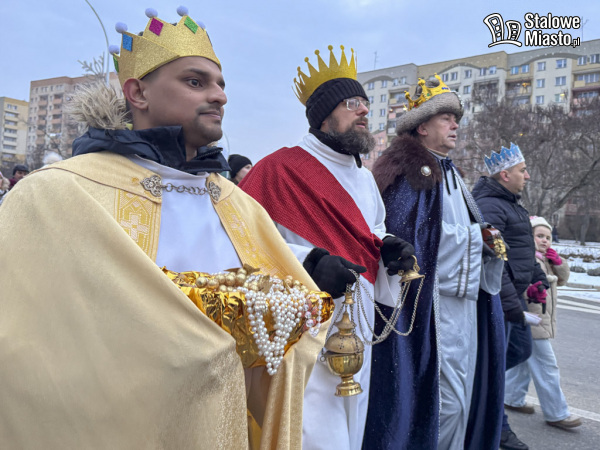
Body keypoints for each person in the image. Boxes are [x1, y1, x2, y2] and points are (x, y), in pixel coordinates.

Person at [0, 7, 328, 449]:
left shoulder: (236, 203)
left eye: (221, 84)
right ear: (137, 92)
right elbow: (31, 347)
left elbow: (293, 324)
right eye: (195, 82)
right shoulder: (57, 193)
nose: (219, 96)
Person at [239, 45, 415, 450]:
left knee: (353, 424)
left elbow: (372, 231)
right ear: (323, 115)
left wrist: (388, 250)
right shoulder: (278, 169)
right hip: (303, 322)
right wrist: (309, 263)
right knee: (314, 430)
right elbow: (242, 242)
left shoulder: (364, 177)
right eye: (352, 103)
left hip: (359, 321)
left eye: (365, 103)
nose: (364, 110)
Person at [370, 75, 505, 450]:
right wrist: (475, 240)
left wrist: (486, 238)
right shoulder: (408, 173)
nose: (455, 125)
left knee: (461, 399)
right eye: (446, 118)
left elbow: (452, 229)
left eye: (455, 118)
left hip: (462, 309)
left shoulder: (451, 174)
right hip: (431, 313)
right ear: (422, 126)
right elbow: (407, 238)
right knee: (442, 404)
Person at [473, 143, 550, 450]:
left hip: (510, 298)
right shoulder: (490, 206)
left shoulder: (510, 203)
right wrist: (509, 305)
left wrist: (537, 275)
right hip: (498, 301)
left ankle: (477, 388)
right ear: (505, 175)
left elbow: (518, 249)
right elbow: (494, 260)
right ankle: (498, 429)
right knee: (495, 367)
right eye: (522, 170)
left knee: (520, 350)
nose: (527, 176)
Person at [504, 216, 582, 430]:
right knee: (547, 366)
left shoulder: (546, 260)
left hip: (541, 319)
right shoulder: (528, 258)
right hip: (532, 319)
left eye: (548, 237)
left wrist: (559, 263)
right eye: (539, 236)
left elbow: (563, 279)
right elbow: (517, 284)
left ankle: (512, 397)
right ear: (528, 237)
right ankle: (557, 413)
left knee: (524, 361)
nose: (544, 240)